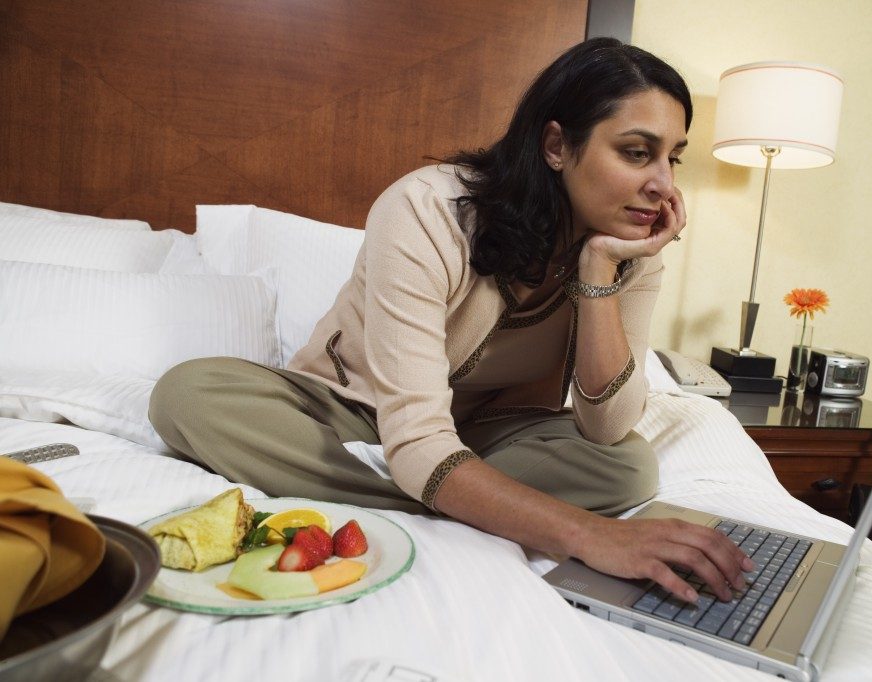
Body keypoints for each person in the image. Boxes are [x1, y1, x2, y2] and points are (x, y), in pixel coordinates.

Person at [149, 37, 753, 603]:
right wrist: (587, 534)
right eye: (636, 152)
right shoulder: (428, 209)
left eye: (673, 159)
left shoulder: (629, 244)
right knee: (188, 394)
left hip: (490, 430)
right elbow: (413, 435)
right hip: (355, 413)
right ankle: (452, 492)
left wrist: (599, 275)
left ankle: (449, 489)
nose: (662, 186)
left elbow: (606, 426)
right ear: (556, 146)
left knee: (628, 464)